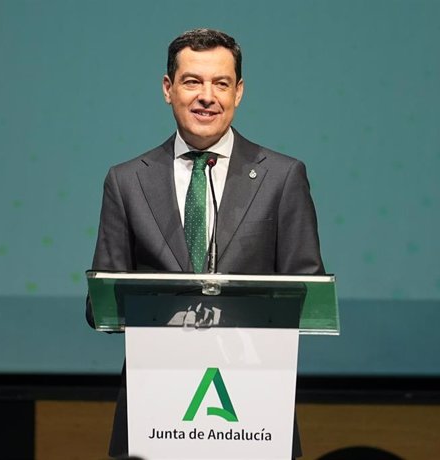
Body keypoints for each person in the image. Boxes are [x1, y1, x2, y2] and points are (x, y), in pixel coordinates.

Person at [87, 28, 325, 458]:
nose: (206, 96)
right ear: (168, 89)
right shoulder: (126, 181)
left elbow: (305, 292)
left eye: (221, 83)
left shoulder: (282, 177)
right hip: (155, 401)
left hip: (252, 401)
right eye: (192, 81)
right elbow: (100, 304)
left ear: (239, 92)